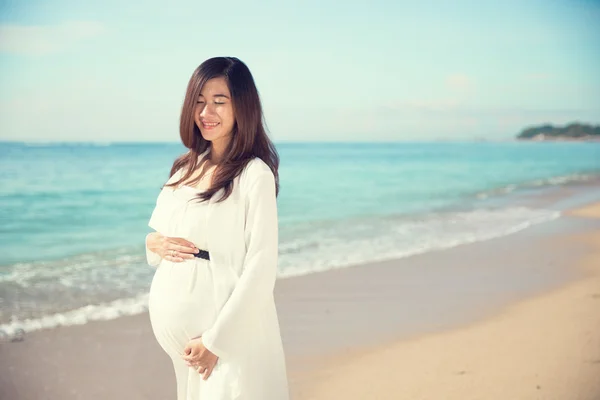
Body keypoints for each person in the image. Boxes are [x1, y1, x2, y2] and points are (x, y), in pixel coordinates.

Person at [144, 56, 289, 399]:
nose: (206, 113)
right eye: (199, 102)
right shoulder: (184, 168)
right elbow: (157, 239)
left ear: (243, 106)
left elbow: (261, 266)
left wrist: (215, 341)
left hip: (225, 341)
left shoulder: (254, 175)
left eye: (219, 102)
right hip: (186, 350)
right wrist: (154, 243)